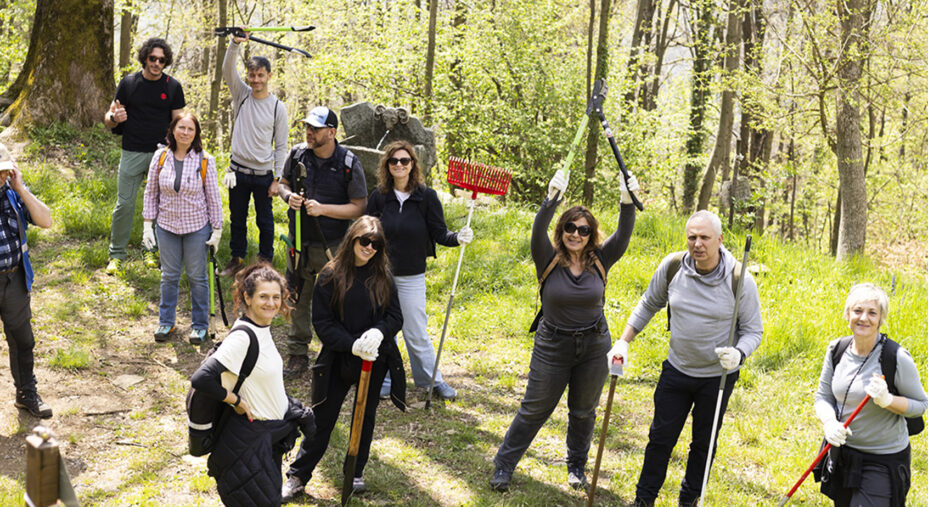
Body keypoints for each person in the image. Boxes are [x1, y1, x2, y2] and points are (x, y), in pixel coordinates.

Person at [489, 168, 638, 492]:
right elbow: (537, 228)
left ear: (591, 234)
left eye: (583, 230)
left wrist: (627, 200)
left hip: (594, 345)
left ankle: (576, 467)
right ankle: (504, 464)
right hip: (552, 345)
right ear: (562, 229)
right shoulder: (548, 257)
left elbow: (624, 233)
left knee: (583, 412)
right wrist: (551, 199)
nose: (576, 234)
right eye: (570, 227)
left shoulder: (601, 259)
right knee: (534, 408)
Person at [608, 210, 763, 507]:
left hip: (717, 377)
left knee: (703, 444)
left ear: (719, 239)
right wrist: (623, 342)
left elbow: (753, 330)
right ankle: (644, 499)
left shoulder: (739, 278)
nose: (697, 244)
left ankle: (689, 500)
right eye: (692, 237)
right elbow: (648, 303)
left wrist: (739, 353)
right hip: (677, 370)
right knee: (660, 439)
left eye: (704, 237)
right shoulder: (673, 266)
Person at [280, 216, 405, 502]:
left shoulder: (383, 276)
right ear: (352, 239)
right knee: (322, 418)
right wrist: (352, 345)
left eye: (376, 243)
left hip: (373, 360)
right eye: (365, 240)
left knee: (365, 417)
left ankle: (355, 471)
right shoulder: (330, 275)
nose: (369, 247)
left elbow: (395, 316)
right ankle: (298, 476)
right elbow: (323, 323)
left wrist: (378, 332)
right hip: (337, 358)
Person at [191, 262, 315, 507]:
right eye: (263, 297)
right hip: (248, 443)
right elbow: (202, 378)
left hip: (264, 440)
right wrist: (236, 401)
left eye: (276, 297)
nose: (271, 303)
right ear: (247, 298)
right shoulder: (243, 337)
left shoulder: (261, 328)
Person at [365, 141, 472, 402]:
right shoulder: (379, 196)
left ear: (413, 164)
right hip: (381, 275)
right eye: (394, 161)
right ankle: (385, 380)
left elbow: (440, 233)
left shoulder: (427, 197)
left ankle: (432, 380)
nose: (399, 165)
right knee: (384, 330)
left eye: (405, 160)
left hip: (411, 276)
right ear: (387, 165)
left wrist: (458, 237)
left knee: (415, 331)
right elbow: (367, 233)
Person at [813, 283, 927, 506]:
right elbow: (823, 397)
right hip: (843, 454)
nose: (864, 318)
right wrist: (829, 422)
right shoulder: (836, 350)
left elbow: (921, 404)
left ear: (881, 318)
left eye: (872, 313)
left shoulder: (896, 357)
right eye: (857, 311)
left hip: (882, 459)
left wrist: (888, 400)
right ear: (847, 314)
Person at [278, 106, 367, 377]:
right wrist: (288, 196)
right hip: (297, 242)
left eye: (315, 129)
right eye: (307, 127)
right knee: (296, 296)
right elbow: (282, 183)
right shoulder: (296, 154)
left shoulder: (349, 162)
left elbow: (359, 206)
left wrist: (323, 209)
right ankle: (297, 353)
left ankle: (341, 353)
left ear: (332, 132)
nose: (309, 132)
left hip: (334, 245)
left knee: (338, 301)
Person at [103, 37, 186, 274]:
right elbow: (108, 119)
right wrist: (114, 118)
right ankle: (116, 254)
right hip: (132, 152)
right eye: (153, 58)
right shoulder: (129, 83)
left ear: (165, 62)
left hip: (161, 155)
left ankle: (150, 250)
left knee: (159, 206)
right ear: (145, 58)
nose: (157, 63)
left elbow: (179, 124)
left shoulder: (173, 86)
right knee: (125, 205)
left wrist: (181, 152)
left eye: (161, 60)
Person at [142, 112, 222, 344]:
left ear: (196, 134)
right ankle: (166, 322)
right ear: (173, 130)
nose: (185, 133)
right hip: (166, 226)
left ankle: (200, 326)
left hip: (196, 227)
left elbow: (213, 198)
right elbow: (151, 192)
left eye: (190, 129)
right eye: (181, 128)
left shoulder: (205, 160)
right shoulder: (160, 157)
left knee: (197, 277)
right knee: (169, 275)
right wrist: (148, 225)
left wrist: (217, 230)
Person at [218, 29, 289, 277]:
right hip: (237, 171)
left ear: (269, 76)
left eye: (260, 75)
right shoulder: (241, 95)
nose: (256, 79)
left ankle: (265, 264)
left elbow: (281, 146)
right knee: (237, 219)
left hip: (263, 176)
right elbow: (228, 70)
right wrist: (235, 43)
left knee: (265, 222)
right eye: (252, 75)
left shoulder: (278, 108)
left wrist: (277, 179)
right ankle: (236, 259)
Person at [0, 143, 53, 418]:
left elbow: (46, 220)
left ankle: (26, 393)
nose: (1, 177)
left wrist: (21, 189)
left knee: (23, 339)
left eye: (4, 172)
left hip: (13, 279)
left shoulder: (12, 193)